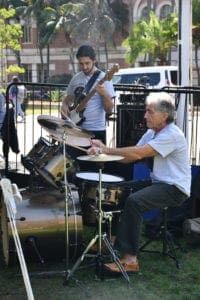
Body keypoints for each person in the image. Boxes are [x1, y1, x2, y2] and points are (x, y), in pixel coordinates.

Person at [87, 92, 191, 273]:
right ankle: (112, 241)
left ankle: (130, 259)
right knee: (115, 191)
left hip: (175, 188)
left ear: (164, 115)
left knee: (135, 202)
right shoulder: (152, 132)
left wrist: (106, 148)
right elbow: (128, 157)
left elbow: (138, 154)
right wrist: (101, 153)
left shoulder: (172, 134)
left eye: (150, 112)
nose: (145, 116)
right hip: (158, 183)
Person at [61, 45, 115, 144]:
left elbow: (109, 109)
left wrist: (105, 94)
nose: (84, 67)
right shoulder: (76, 78)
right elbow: (68, 99)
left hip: (96, 131)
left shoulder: (104, 78)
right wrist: (64, 106)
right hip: (75, 129)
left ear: (94, 60)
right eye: (81, 64)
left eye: (87, 63)